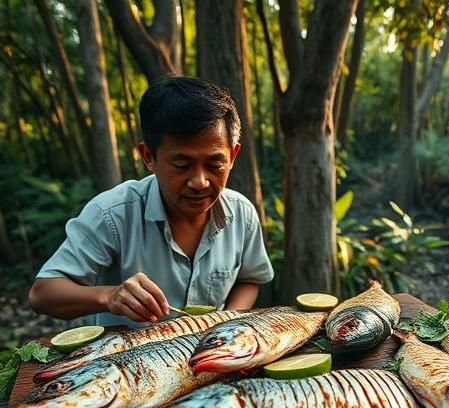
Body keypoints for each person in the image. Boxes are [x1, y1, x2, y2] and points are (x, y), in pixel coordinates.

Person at [28, 76, 274, 327]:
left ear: (233, 156)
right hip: (125, 360)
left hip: (209, 356)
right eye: (181, 164)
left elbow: (249, 279)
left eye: (214, 164)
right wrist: (110, 296)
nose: (200, 181)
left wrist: (225, 324)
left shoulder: (242, 214)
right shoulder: (112, 214)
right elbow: (43, 294)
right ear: (148, 157)